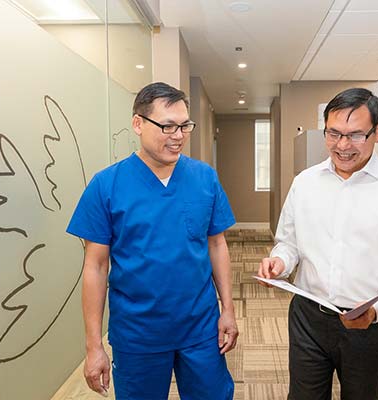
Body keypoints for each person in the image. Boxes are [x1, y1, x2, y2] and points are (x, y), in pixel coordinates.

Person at [257, 88, 378, 400]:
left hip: (369, 324)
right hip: (307, 317)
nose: (343, 146)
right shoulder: (305, 183)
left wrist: (376, 310)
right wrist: (280, 262)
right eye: (334, 134)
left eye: (356, 135)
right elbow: (288, 243)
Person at [67, 82, 238, 399]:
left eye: (184, 126)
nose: (178, 136)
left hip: (200, 327)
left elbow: (217, 245)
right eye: (167, 126)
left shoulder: (204, 178)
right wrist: (94, 346)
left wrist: (227, 309)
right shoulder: (106, 185)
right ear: (137, 124)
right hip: (138, 333)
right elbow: (95, 266)